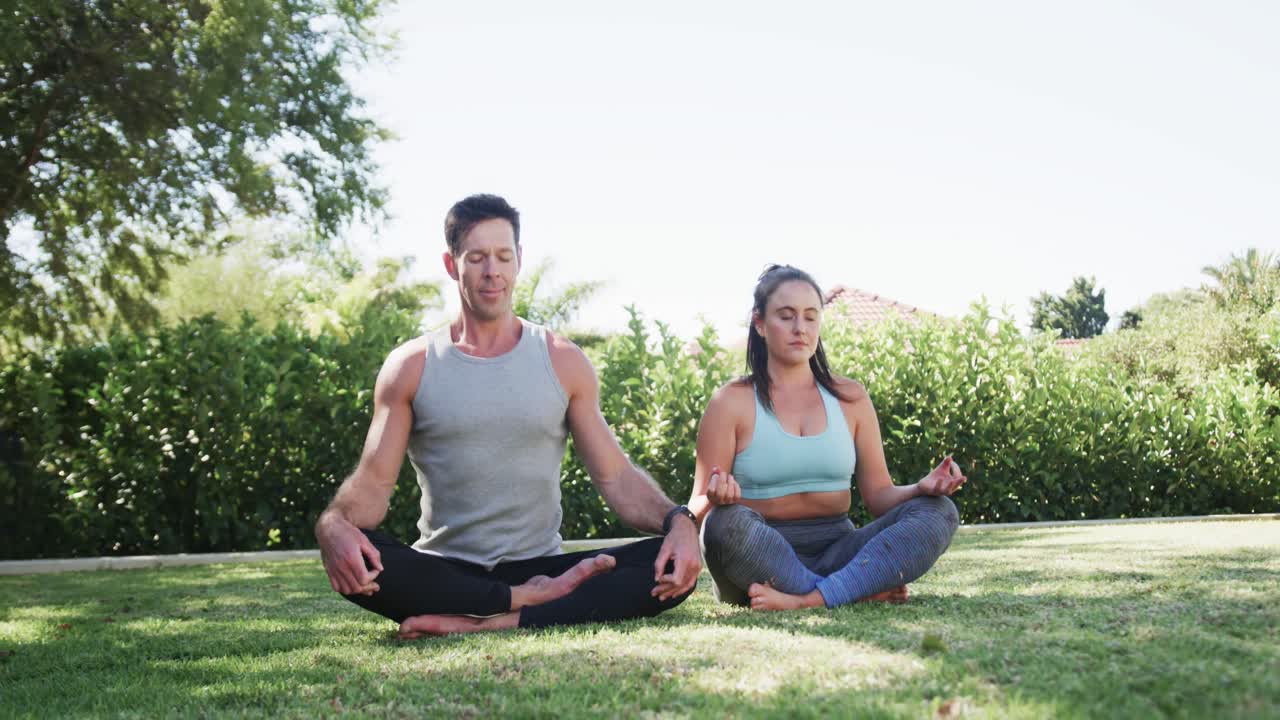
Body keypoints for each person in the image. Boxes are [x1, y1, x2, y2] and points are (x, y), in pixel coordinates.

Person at [315, 194, 701, 637]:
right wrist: (334, 525)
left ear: (519, 260)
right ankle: (518, 607)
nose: (492, 271)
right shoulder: (411, 366)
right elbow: (372, 485)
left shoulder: (561, 360)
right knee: (359, 556)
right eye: (476, 257)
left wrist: (680, 522)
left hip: (543, 570)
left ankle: (490, 620)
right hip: (446, 574)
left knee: (664, 563)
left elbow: (616, 479)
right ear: (450, 263)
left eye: (503, 257)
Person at [689, 264, 964, 611]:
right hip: (757, 558)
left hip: (838, 551)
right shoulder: (730, 401)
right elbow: (696, 505)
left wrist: (920, 489)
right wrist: (716, 497)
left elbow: (879, 496)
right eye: (786, 316)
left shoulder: (851, 399)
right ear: (759, 323)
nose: (800, 329)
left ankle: (808, 599)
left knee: (938, 511)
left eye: (810, 316)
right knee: (723, 522)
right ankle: (851, 591)